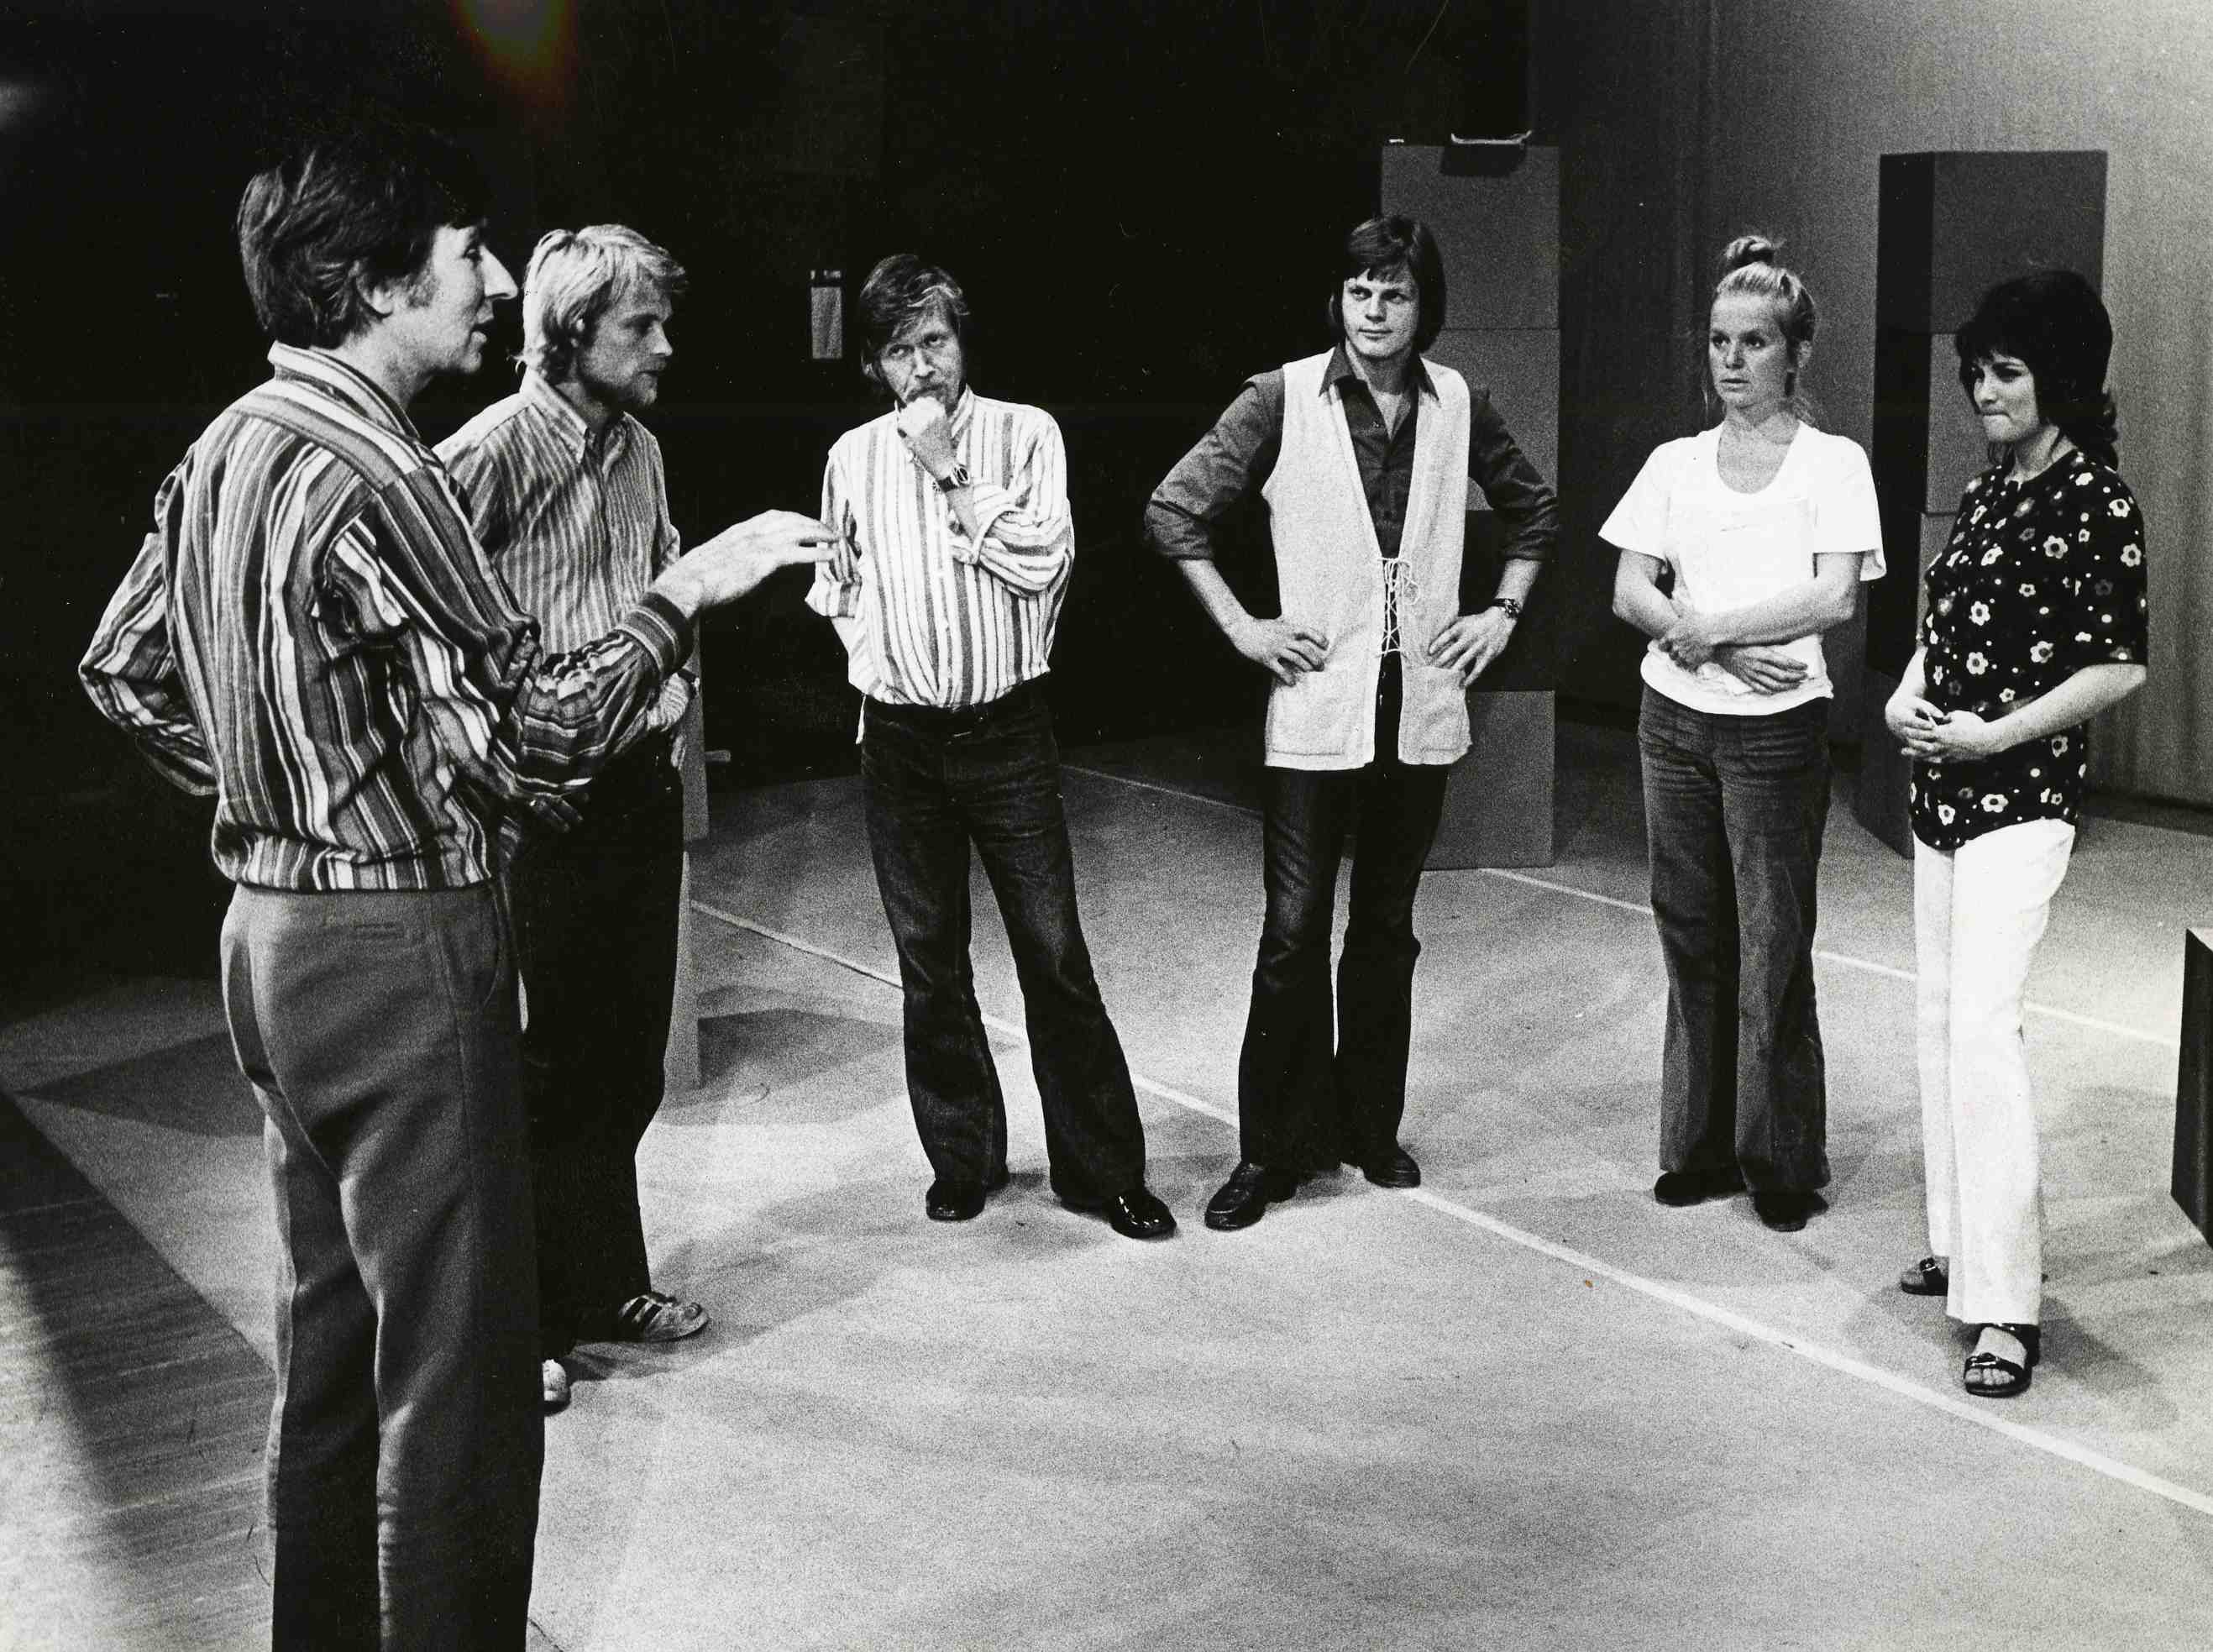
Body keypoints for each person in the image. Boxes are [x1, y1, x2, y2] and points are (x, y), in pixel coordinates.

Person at [79, 129, 836, 1649]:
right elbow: (536, 743)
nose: (495, 282)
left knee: (336, 1362)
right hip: (398, 948)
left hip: (269, 940)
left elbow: (124, 668)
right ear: (373, 284)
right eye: (465, 253)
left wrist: (291, 795)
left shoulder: (229, 443)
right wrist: (684, 593)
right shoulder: (387, 470)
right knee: (464, 1390)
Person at [1145, 213, 1557, 1231]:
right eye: (1360, 290)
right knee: (1292, 933)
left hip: (1416, 706)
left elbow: (1535, 512)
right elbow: (1173, 511)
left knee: (1383, 928)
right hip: (1317, 706)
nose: (1374, 310)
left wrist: (1499, 611)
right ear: (1336, 299)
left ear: (1425, 306)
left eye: (1396, 292)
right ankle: (1269, 1150)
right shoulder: (1279, 395)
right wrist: (1243, 626)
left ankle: (1369, 1125)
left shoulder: (1459, 402)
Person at [807, 254, 1175, 1241]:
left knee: (1053, 955)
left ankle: (1103, 1171)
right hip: (899, 743)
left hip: (1008, 733)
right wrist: (883, 667)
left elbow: (1041, 562)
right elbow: (837, 588)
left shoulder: (1025, 434)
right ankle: (962, 1158)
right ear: (874, 364)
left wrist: (949, 471)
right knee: (929, 961)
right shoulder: (851, 456)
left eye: (935, 340)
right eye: (899, 350)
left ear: (961, 339)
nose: (921, 366)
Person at [438, 225, 711, 1417]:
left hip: (637, 791)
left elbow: (663, 583)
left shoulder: (641, 449)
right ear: (569, 331)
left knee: (623, 1061)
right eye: (640, 325)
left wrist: (671, 699)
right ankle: (527, 1323)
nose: (663, 345)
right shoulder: (485, 455)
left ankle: (604, 1284)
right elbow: (432, 635)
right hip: (541, 808)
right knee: (541, 1072)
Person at [1885, 270, 2147, 1398]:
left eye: (2005, 372)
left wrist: (1993, 734)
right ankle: (1956, 1241)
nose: (1982, 391)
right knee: (1940, 1016)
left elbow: (2117, 664)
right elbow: (1943, 623)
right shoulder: (1987, 487)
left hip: (2021, 797)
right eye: (1975, 373)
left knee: (1985, 1028)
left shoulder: (2099, 503)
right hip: (1940, 791)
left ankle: (2004, 1307)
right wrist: (1905, 695)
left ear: (2062, 377)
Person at [1605, 235, 1882, 1234]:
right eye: (1719, 341)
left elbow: (1834, 596)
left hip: (1775, 735)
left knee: (1772, 946)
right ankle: (1697, 1147)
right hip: (1673, 723)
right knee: (1690, 934)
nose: (1731, 359)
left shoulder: (1832, 464)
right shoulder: (1673, 463)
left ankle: (1780, 1160)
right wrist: (1715, 647)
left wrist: (1710, 625)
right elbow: (1629, 588)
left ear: (1794, 352)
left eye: (1754, 341)